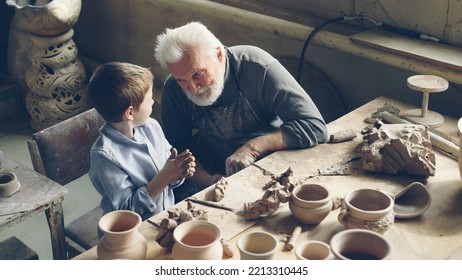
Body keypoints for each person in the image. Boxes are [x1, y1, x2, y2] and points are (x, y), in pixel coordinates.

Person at [154, 22, 328, 198]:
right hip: (212, 171)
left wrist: (253, 147)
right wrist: (206, 180)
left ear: (219, 55)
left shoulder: (258, 67)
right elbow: (176, 150)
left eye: (197, 74)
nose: (191, 88)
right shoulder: (174, 89)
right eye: (181, 80)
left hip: (272, 166)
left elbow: (314, 126)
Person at [86, 62, 196, 227]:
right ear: (130, 112)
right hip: (132, 235)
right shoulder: (105, 157)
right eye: (149, 100)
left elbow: (168, 180)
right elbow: (126, 214)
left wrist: (179, 172)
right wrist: (165, 175)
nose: (152, 103)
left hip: (165, 218)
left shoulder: (151, 126)